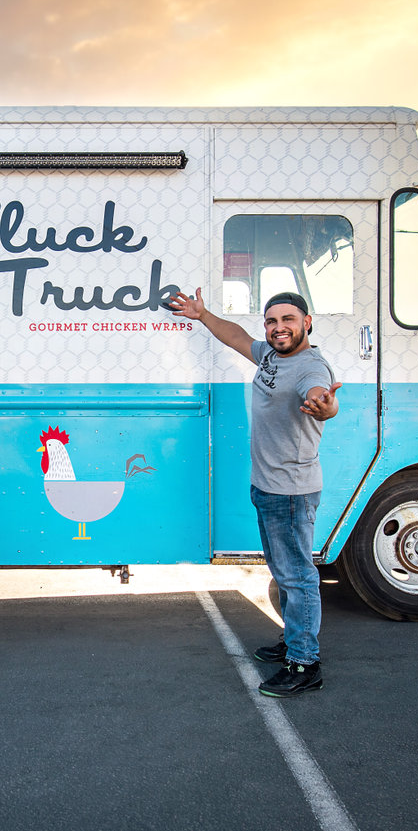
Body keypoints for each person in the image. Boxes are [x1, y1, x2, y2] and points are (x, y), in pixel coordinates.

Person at [168, 289, 341, 697]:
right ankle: (293, 640)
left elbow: (321, 397)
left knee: (298, 578)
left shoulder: (310, 367)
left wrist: (324, 406)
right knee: (284, 574)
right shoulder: (270, 355)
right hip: (267, 485)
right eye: (271, 321)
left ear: (307, 322)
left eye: (288, 320)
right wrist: (204, 314)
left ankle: (305, 663)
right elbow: (236, 337)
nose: (279, 328)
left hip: (291, 493)